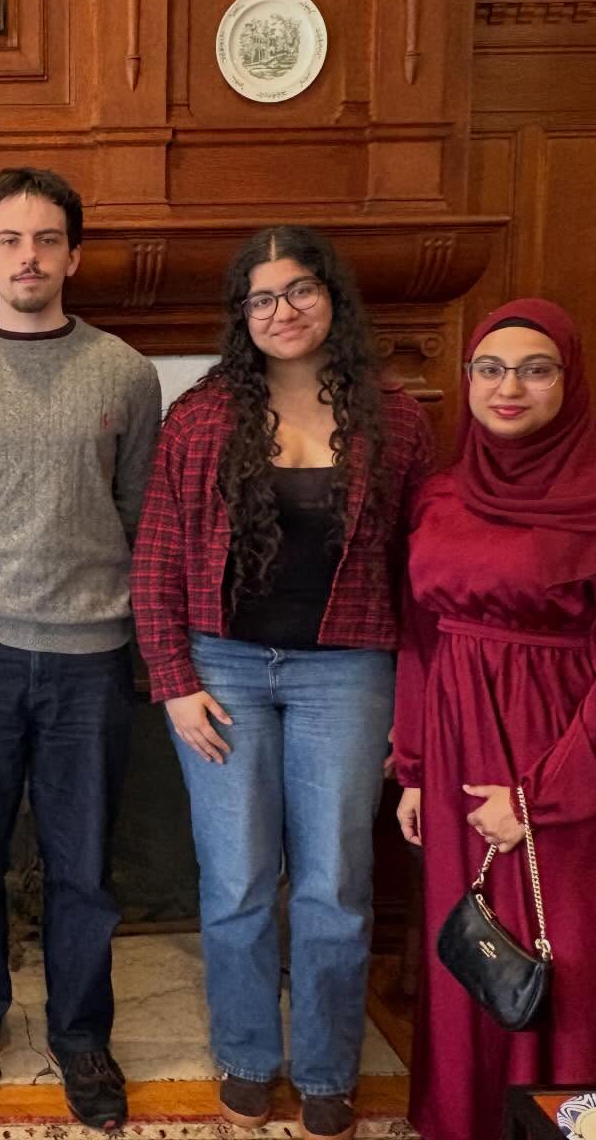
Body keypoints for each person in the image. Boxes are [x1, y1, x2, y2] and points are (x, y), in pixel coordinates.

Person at [131, 225, 433, 1140]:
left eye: (299, 290)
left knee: (338, 883)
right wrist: (175, 680)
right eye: (261, 298)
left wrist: (414, 718)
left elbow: (424, 575)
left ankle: (330, 1067)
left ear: (330, 297)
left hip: (347, 671)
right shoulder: (201, 416)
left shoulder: (399, 417)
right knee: (236, 880)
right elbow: (154, 559)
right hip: (222, 669)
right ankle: (251, 1057)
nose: (282, 311)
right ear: (242, 316)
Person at [0, 167, 161, 1132]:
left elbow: (137, 511)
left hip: (91, 656)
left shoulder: (125, 374)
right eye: (11, 240)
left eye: (47, 239)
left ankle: (81, 1033)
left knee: (82, 861)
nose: (29, 257)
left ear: (74, 256)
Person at [393, 298, 596, 1140]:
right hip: (452, 755)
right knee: (476, 951)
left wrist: (541, 794)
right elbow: (418, 634)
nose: (508, 386)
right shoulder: (441, 493)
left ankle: (570, 1129)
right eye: (490, 368)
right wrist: (410, 768)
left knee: (568, 959)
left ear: (570, 381)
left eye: (535, 368)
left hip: (562, 760)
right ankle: (464, 1123)